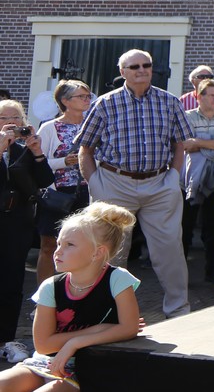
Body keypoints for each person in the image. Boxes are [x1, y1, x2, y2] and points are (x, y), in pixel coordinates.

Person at [0, 202, 140, 392]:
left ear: (97, 253)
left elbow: (128, 328)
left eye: (69, 245)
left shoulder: (117, 279)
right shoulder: (51, 286)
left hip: (82, 371)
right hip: (43, 363)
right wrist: (99, 330)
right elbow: (43, 344)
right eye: (59, 242)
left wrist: (76, 341)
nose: (57, 251)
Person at [74, 49, 193, 318]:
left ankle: (179, 310)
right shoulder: (105, 104)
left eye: (146, 65)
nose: (142, 70)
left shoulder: (169, 102)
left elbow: (180, 144)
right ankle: (109, 312)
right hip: (114, 183)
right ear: (122, 72)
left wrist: (173, 178)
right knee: (111, 250)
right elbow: (86, 149)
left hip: (160, 184)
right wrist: (95, 184)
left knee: (170, 250)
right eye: (135, 66)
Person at [0, 101, 55, 363]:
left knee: (12, 282)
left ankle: (6, 339)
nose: (10, 123)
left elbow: (45, 180)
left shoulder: (24, 150)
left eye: (16, 118)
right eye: (4, 118)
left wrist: (37, 152)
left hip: (16, 223)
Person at [36, 80, 93, 284]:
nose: (86, 100)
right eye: (81, 96)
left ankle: (78, 290)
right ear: (65, 101)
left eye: (88, 96)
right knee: (49, 245)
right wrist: (64, 162)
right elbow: (37, 163)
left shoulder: (93, 125)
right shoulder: (49, 128)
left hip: (87, 192)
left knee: (84, 245)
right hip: (57, 194)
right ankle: (43, 294)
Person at [182, 78, 214, 283]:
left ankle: (212, 271)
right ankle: (180, 273)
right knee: (185, 226)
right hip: (190, 180)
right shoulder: (186, 117)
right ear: (198, 96)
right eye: (212, 95)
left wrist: (199, 142)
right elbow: (185, 145)